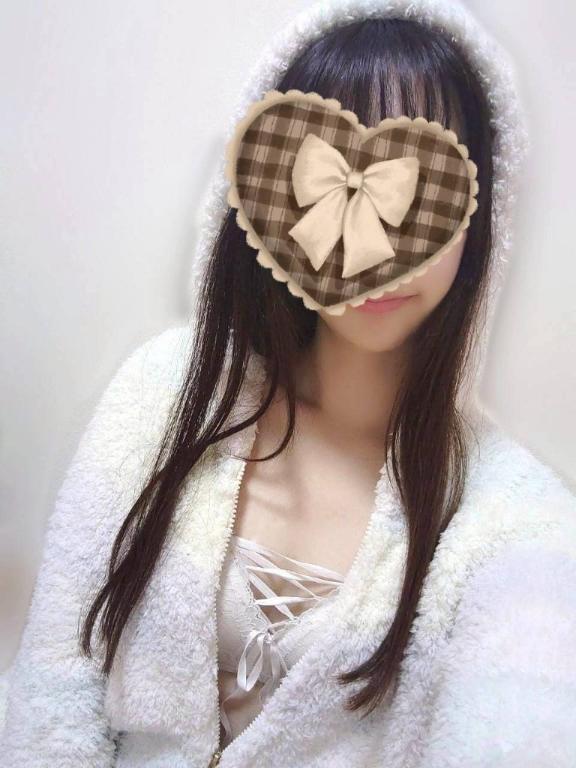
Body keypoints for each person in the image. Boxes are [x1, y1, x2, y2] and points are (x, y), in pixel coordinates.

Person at [2, 0, 576, 766]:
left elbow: (524, 707)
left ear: (480, 220)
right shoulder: (161, 391)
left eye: (418, 193)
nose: (377, 247)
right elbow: (56, 679)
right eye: (332, 187)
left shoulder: (513, 522)